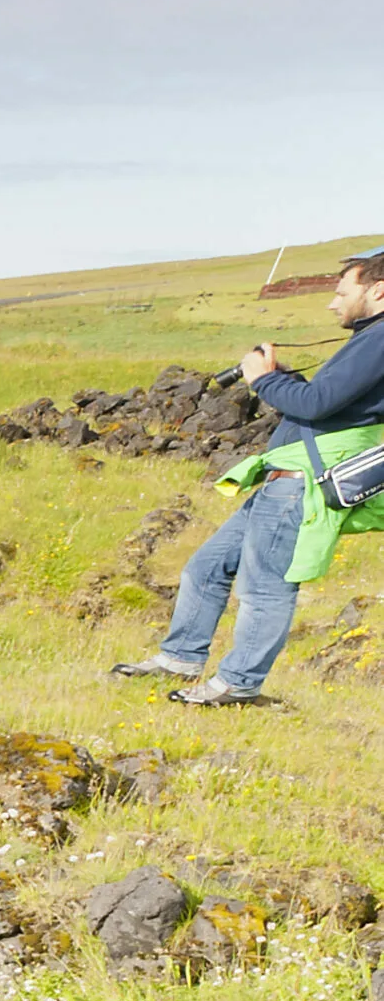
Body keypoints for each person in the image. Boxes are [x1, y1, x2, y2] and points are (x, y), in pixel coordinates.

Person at [115, 249, 384, 706]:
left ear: (378, 290)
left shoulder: (380, 340)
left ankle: (239, 685)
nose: (332, 303)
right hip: (284, 479)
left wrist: (263, 380)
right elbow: (327, 402)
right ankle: (180, 656)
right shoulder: (370, 339)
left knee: (266, 586)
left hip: (301, 483)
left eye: (342, 292)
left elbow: (316, 405)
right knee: (207, 566)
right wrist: (284, 377)